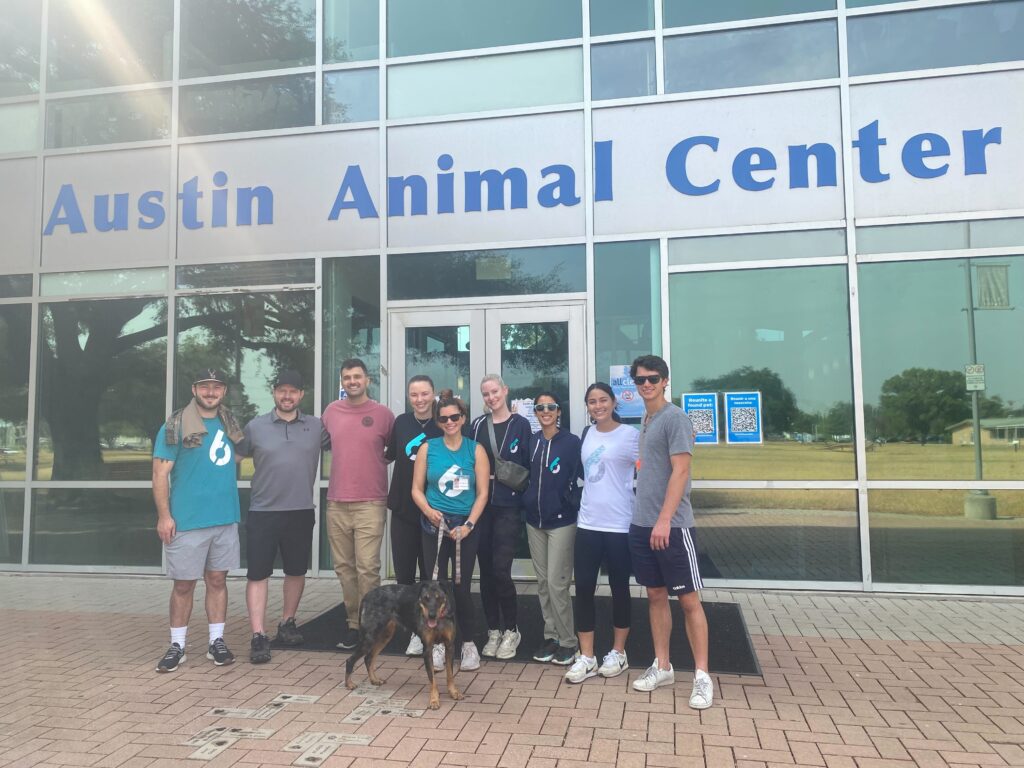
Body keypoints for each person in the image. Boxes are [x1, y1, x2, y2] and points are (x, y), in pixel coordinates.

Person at [628, 354, 713, 709]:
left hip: (672, 526)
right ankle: (662, 665)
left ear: (665, 380)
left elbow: (681, 472)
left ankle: (702, 676)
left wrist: (664, 519)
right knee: (655, 596)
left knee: (689, 601)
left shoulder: (675, 418)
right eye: (640, 379)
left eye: (653, 378)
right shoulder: (647, 419)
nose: (646, 384)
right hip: (642, 524)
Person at [152, 368, 244, 673]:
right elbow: (160, 473)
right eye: (204, 386)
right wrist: (164, 516)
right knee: (184, 585)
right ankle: (177, 645)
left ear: (224, 391)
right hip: (188, 520)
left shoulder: (229, 421)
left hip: (224, 518)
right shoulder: (175, 424)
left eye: (216, 387)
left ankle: (216, 641)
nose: (210, 392)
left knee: (218, 581)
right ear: (194, 389)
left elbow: (240, 456)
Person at [237, 370, 327, 664]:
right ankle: (259, 635)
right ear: (274, 393)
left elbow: (351, 444)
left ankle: (287, 623)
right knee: (258, 574)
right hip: (263, 512)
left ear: (302, 395)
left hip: (300, 511)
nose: (287, 396)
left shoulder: (316, 426)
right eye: (281, 391)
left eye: (293, 391)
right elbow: (228, 459)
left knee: (296, 571)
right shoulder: (255, 426)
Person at [564, 382, 639, 684]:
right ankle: (587, 656)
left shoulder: (631, 436)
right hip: (588, 523)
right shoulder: (587, 434)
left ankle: (619, 653)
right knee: (583, 588)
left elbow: (653, 464)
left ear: (614, 402)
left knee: (620, 588)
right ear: (588, 406)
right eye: (592, 402)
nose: (598, 406)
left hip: (620, 525)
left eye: (603, 400)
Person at [412, 390, 489, 672]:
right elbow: (416, 489)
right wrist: (429, 512)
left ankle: (468, 644)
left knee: (460, 587)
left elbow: (482, 493)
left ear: (463, 418)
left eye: (454, 416)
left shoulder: (475, 449)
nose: (449, 422)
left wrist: (469, 524)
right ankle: (437, 645)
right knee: (433, 586)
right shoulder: (428, 448)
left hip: (464, 528)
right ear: (438, 421)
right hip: (434, 525)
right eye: (444, 418)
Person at [322, 358, 396, 650]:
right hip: (337, 502)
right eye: (346, 377)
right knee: (344, 567)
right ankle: (354, 624)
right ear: (342, 382)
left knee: (368, 567)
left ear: (368, 380)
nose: (352, 381)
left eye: (357, 376)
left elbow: (391, 451)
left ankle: (372, 626)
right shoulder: (330, 412)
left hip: (370, 502)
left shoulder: (383, 415)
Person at [470, 374, 532, 660]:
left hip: (509, 506)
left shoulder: (521, 424)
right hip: (482, 507)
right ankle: (493, 629)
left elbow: (527, 463)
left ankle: (511, 629)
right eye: (486, 394)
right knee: (485, 573)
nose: (491, 397)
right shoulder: (478, 425)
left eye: (495, 391)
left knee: (500, 571)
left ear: (505, 391)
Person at [522, 392, 581, 667]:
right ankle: (552, 636)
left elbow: (585, 476)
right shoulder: (532, 441)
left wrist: (571, 501)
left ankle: (569, 641)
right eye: (540, 407)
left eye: (551, 407)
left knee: (558, 584)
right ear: (535, 412)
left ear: (559, 411)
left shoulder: (571, 443)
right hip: (535, 521)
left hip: (561, 522)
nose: (545, 411)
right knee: (543, 584)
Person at [385, 374, 440, 657]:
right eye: (414, 394)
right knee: (405, 576)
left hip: (432, 510)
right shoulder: (401, 423)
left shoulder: (443, 423)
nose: (419, 399)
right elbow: (389, 455)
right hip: (403, 509)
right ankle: (413, 633)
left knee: (430, 574)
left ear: (433, 395)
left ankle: (432, 629)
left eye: (424, 394)